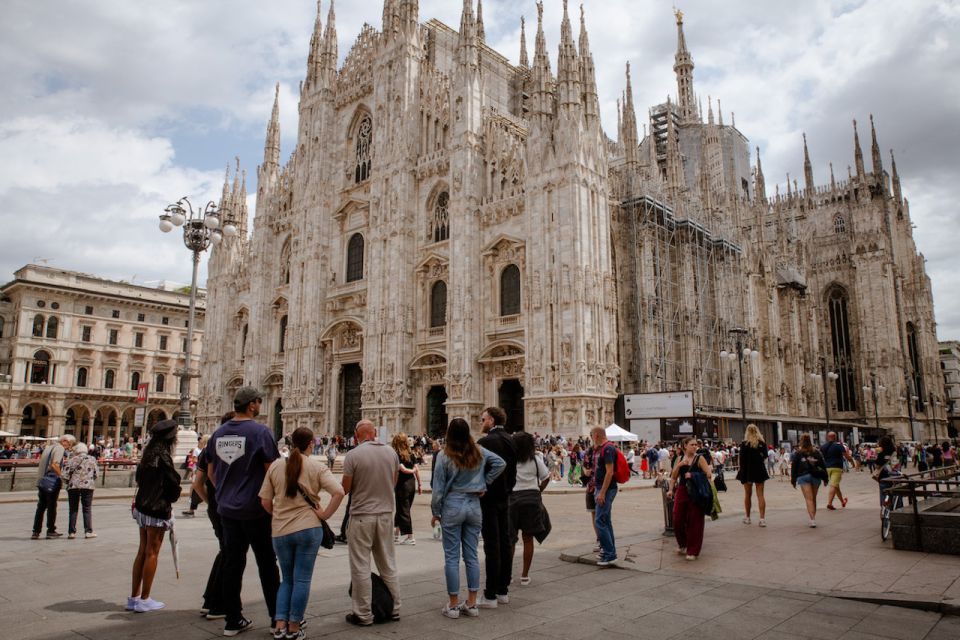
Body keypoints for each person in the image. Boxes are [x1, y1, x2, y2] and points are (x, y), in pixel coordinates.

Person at [206, 387, 281, 637]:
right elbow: (273, 472)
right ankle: (276, 619)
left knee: (232, 565)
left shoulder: (217, 434)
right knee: (267, 564)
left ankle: (232, 620)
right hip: (256, 510)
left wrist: (227, 493)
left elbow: (210, 473)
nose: (260, 405)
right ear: (251, 405)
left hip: (227, 510)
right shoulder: (260, 432)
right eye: (259, 401)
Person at [260, 427, 344, 640]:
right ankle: (294, 627)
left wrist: (278, 515)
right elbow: (339, 492)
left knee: (287, 579)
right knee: (302, 580)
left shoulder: (276, 466)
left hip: (280, 530)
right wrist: (324, 515)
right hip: (308, 529)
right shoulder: (316, 466)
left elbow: (265, 501)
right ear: (311, 444)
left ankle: (279, 625)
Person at [431, 418, 506, 618]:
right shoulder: (478, 450)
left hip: (453, 505)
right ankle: (472, 603)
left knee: (452, 557)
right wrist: (484, 484)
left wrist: (435, 512)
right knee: (471, 556)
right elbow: (500, 463)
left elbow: (438, 490)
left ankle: (453, 605)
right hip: (474, 505)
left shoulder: (444, 455)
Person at [341, 420, 402, 627]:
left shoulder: (353, 455)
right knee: (388, 563)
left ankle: (364, 614)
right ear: (374, 433)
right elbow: (393, 482)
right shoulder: (391, 453)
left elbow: (346, 488)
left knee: (360, 566)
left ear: (357, 436)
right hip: (385, 514)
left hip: (361, 516)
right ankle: (395, 609)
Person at [129, 420, 182, 613]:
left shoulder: (148, 455)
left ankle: (133, 597)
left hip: (142, 508)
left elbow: (139, 479)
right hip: (156, 510)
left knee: (142, 551)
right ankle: (144, 599)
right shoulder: (163, 456)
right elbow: (173, 484)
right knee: (152, 553)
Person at [192, 412, 234, 620]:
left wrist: (211, 502)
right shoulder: (237, 447)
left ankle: (211, 600)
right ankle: (219, 605)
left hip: (217, 507)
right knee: (231, 554)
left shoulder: (209, 448)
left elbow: (198, 483)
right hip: (232, 508)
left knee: (225, 552)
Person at [476, 406, 518, 606]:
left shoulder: (485, 442)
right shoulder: (512, 439)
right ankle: (503, 590)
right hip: (506, 497)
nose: (481, 422)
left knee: (492, 545)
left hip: (488, 499)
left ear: (491, 420)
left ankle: (490, 594)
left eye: (483, 419)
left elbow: (476, 470)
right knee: (505, 542)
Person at [508, 431, 550, 586]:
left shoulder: (509, 460)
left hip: (512, 500)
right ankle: (525, 575)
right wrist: (538, 490)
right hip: (531, 500)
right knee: (528, 538)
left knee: (511, 540)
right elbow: (546, 477)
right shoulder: (535, 460)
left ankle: (508, 575)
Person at [667, 436, 712, 560]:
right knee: (677, 518)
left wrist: (693, 475)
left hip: (696, 492)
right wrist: (671, 490)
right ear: (685, 446)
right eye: (692, 444)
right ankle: (683, 544)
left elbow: (708, 474)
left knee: (695, 521)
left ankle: (693, 550)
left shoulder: (700, 458)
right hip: (682, 490)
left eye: (695, 444)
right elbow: (673, 476)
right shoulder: (679, 458)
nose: (694, 446)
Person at [32, 434, 74, 540]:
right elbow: (55, 465)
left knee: (40, 507)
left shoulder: (48, 447)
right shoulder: (59, 448)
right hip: (51, 482)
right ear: (64, 441)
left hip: (42, 481)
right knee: (51, 507)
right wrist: (62, 476)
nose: (69, 447)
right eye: (70, 444)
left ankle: (36, 532)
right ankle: (51, 530)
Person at [590, 425, 619, 566]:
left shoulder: (607, 449)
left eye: (591, 436)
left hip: (606, 489)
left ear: (596, 435)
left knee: (599, 521)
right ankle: (610, 551)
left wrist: (602, 492)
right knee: (605, 520)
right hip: (602, 488)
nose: (591, 439)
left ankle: (609, 554)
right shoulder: (604, 448)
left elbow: (609, 472)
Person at [735, 424, 770, 527]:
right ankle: (762, 519)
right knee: (760, 495)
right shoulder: (762, 444)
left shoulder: (744, 444)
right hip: (759, 470)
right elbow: (765, 457)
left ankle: (748, 517)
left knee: (748, 494)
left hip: (747, 471)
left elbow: (741, 460)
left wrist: (741, 473)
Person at [63, 442, 98, 539]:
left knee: (73, 509)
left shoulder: (72, 459)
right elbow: (96, 474)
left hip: (73, 486)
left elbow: (65, 474)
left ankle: (71, 532)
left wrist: (69, 481)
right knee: (87, 509)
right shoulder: (92, 459)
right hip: (87, 486)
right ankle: (88, 531)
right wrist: (89, 479)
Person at [791, 434, 827, 528]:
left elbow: (794, 467)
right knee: (813, 498)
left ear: (801, 441)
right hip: (816, 476)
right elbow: (822, 465)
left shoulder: (798, 453)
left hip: (803, 476)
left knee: (808, 499)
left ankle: (812, 520)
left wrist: (793, 480)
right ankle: (813, 518)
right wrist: (825, 478)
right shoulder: (816, 452)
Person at [391, 433, 421, 545]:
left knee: (404, 510)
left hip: (402, 485)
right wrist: (420, 484)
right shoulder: (411, 454)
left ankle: (410, 536)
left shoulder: (397, 455)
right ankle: (396, 535)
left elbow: (401, 469)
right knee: (401, 509)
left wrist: (392, 485)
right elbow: (417, 468)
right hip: (411, 484)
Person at [821, 432, 854, 510]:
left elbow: (821, 457)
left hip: (827, 468)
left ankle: (842, 501)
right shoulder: (839, 446)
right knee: (833, 485)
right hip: (837, 468)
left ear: (827, 437)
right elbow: (847, 456)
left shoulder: (823, 447)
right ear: (835, 437)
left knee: (836, 486)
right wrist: (852, 462)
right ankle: (829, 503)